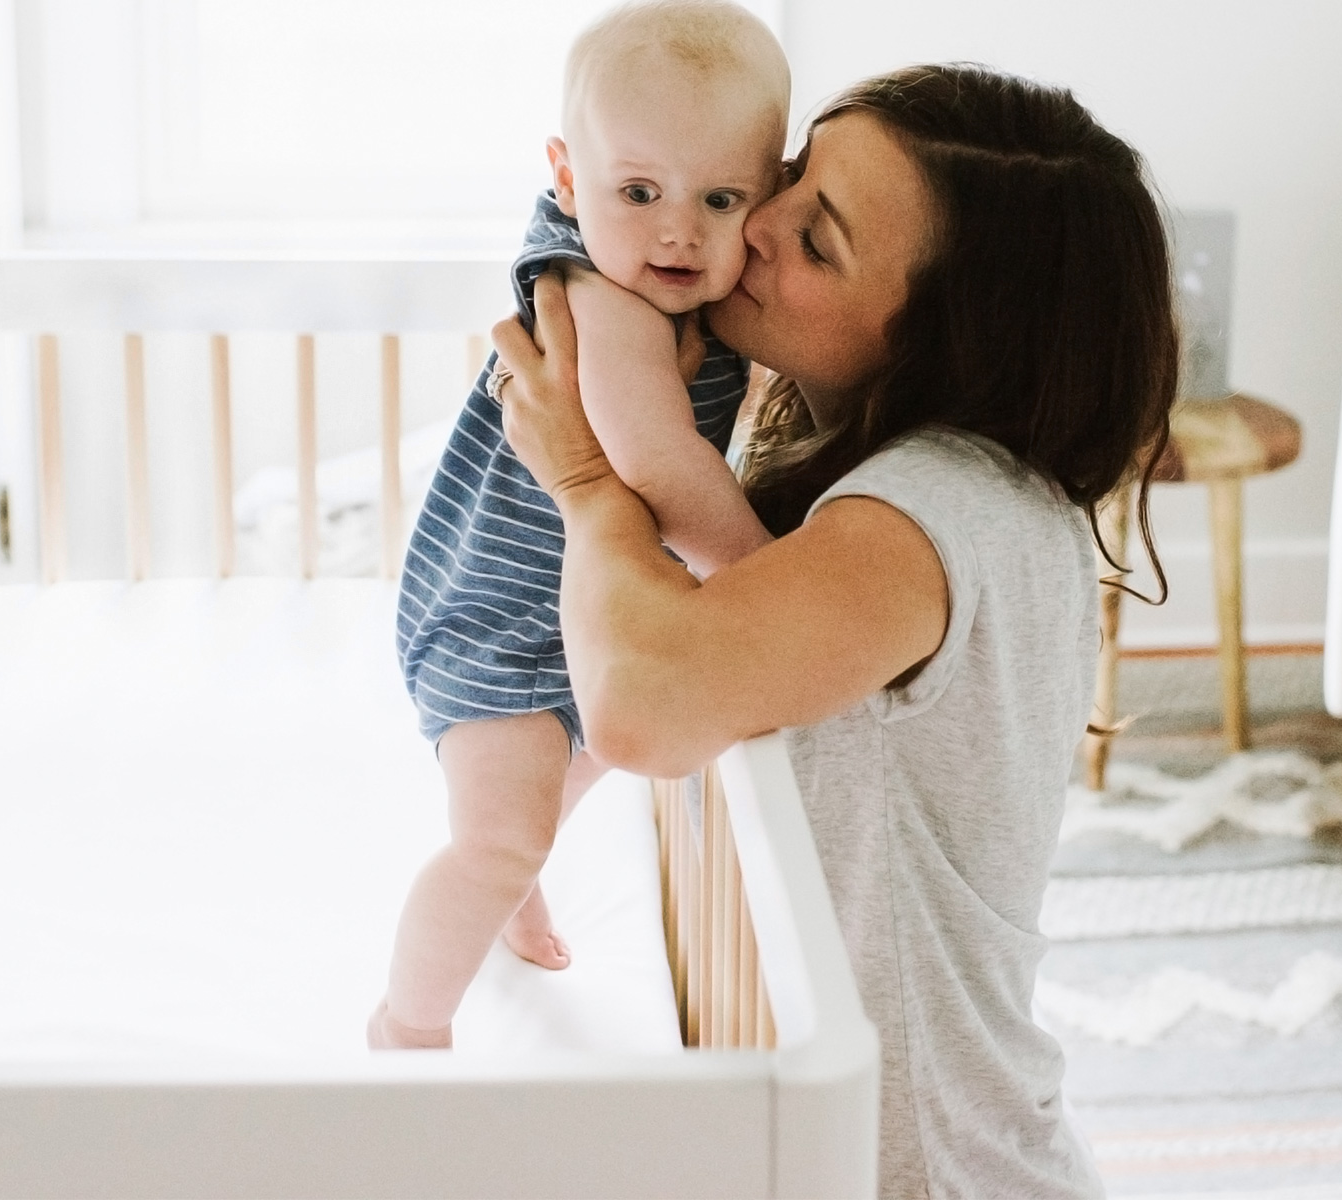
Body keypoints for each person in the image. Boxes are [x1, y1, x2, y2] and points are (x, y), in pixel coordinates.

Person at [491, 63, 1176, 1200]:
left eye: (818, 242)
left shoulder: (930, 513)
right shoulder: (864, 465)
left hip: (926, 1170)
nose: (751, 223)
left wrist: (582, 479)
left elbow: (646, 701)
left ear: (944, 345)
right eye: (796, 175)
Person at [374, 0, 789, 1050]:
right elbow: (657, 463)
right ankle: (407, 1024)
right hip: (501, 630)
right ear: (567, 177)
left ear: (770, 193)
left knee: (596, 755)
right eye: (638, 191)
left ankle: (515, 890)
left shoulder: (681, 278)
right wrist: (767, 580)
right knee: (501, 836)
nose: (678, 230)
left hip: (586, 622)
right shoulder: (595, 296)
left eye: (721, 196)